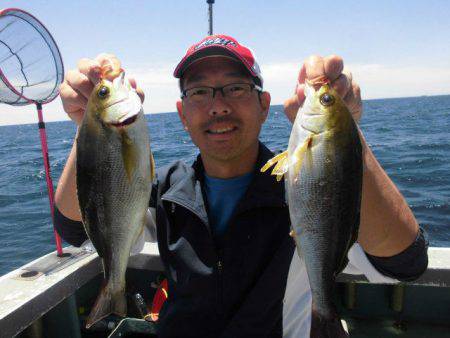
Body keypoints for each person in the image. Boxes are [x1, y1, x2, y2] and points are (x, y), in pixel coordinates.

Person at [54, 35, 428, 337]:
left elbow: (404, 262)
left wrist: (345, 137)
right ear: (182, 114)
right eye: (199, 92)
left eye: (235, 88)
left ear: (264, 105)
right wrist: (89, 130)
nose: (218, 106)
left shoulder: (307, 184)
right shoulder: (165, 190)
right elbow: (73, 227)